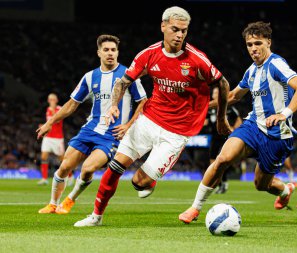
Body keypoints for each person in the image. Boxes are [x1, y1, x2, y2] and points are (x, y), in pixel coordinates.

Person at [74, 6, 231, 227]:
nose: (180, 35)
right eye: (175, 29)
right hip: (149, 120)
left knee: (140, 182)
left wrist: (222, 118)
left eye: (184, 31)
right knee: (116, 166)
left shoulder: (197, 60)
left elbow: (222, 83)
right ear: (163, 26)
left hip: (177, 131)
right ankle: (96, 217)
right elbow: (123, 82)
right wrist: (113, 106)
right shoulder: (148, 54)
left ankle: (148, 183)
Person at [179, 21, 297, 223]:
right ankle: (194, 208)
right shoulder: (251, 71)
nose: (253, 49)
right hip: (253, 126)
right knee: (223, 159)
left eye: (258, 43)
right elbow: (232, 96)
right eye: (249, 45)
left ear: (268, 42)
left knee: (260, 185)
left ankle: (285, 190)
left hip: (278, 135)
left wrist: (283, 114)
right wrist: (203, 106)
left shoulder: (276, 65)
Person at [37, 34, 147, 214]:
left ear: (118, 52)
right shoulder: (90, 77)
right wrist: (50, 122)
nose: (110, 53)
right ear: (99, 53)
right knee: (65, 166)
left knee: (88, 168)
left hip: (112, 135)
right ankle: (52, 203)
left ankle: (70, 199)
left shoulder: (129, 75)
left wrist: (128, 126)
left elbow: (143, 102)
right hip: (90, 129)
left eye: (113, 50)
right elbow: (72, 104)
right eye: (106, 50)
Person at [206, 87, 242, 194]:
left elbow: (238, 119)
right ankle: (220, 184)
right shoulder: (211, 107)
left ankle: (224, 182)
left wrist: (234, 130)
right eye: (214, 92)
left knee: (221, 160)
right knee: (212, 162)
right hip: (214, 137)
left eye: (218, 92)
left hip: (225, 137)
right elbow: (206, 121)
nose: (216, 94)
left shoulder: (228, 106)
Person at [38, 93, 74, 186]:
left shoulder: (59, 109)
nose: (51, 101)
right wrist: (44, 126)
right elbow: (50, 123)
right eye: (50, 99)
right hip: (48, 137)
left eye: (53, 99)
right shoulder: (48, 110)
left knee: (62, 159)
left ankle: (70, 176)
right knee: (43, 157)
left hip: (57, 139)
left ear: (56, 100)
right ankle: (44, 179)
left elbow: (57, 120)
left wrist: (53, 109)